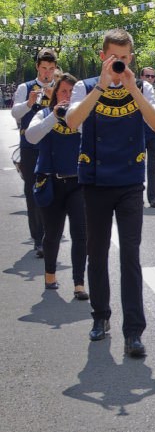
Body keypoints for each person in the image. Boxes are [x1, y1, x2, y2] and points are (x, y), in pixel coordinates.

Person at [65, 28, 155, 356]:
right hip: (95, 179)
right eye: (113, 58)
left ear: (132, 59)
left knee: (130, 255)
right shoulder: (85, 86)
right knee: (97, 252)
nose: (119, 64)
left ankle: (134, 331)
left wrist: (133, 87)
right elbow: (72, 121)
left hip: (130, 181)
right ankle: (100, 317)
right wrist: (103, 85)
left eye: (124, 59)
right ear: (102, 57)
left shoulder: (143, 87)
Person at [25, 73, 88, 300]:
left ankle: (79, 282)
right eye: (63, 92)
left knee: (80, 234)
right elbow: (31, 138)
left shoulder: (83, 117)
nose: (68, 96)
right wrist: (54, 116)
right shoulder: (43, 114)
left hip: (78, 183)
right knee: (52, 233)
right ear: (54, 94)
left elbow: (92, 136)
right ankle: (50, 274)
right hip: (51, 181)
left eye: (72, 92)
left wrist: (74, 116)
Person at [12, 47, 57, 257]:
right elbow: (15, 112)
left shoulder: (59, 87)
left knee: (54, 192)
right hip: (30, 148)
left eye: (51, 68)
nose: (47, 73)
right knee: (32, 192)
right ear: (37, 67)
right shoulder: (25, 87)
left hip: (54, 147)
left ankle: (50, 233)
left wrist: (54, 98)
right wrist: (30, 102)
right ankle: (38, 239)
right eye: (43, 68)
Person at [140, 66, 155, 207]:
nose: (150, 79)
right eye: (147, 76)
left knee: (152, 167)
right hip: (139, 133)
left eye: (152, 77)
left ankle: (152, 197)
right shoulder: (135, 91)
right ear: (142, 77)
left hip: (153, 134)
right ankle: (138, 195)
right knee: (139, 165)